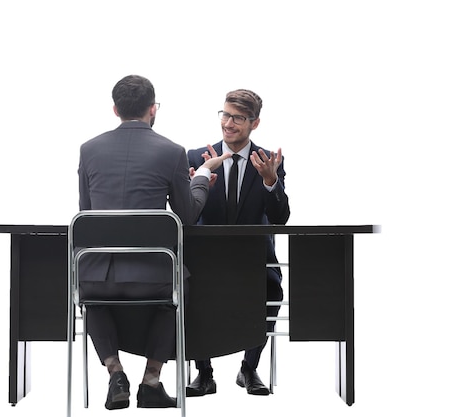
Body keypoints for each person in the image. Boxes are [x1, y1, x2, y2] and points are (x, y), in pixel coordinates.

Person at [77, 74, 230, 410]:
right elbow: (187, 216)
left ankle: (115, 372)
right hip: (153, 278)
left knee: (91, 295)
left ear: (115, 109)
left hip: (98, 275)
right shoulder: (172, 152)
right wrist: (202, 177)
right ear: (153, 109)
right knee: (178, 290)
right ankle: (151, 381)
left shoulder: (88, 150)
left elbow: (85, 214)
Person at [186, 89, 290, 396]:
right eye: (226, 115)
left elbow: (280, 218)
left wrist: (271, 181)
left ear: (254, 123)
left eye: (238, 118)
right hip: (206, 257)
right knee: (190, 287)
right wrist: (199, 180)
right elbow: (186, 215)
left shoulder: (268, 161)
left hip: (253, 258)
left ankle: (249, 369)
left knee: (272, 289)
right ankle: (203, 373)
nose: (229, 124)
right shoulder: (195, 157)